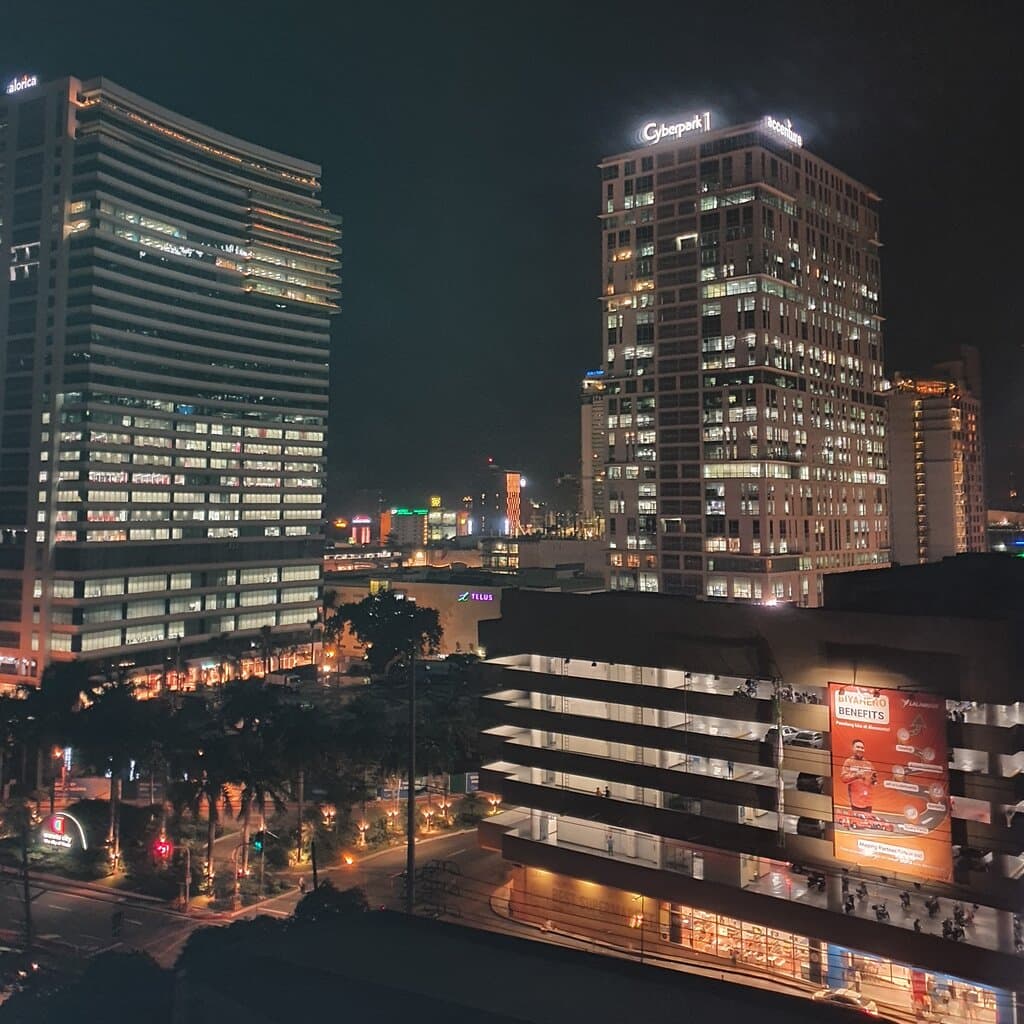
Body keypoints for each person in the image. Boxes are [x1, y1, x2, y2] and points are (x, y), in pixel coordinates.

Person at [841, 739, 878, 812]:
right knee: (857, 821)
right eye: (858, 747)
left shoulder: (868, 764)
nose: (860, 749)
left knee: (867, 822)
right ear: (853, 748)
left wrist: (874, 780)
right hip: (855, 802)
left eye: (862, 748)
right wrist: (856, 776)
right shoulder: (848, 762)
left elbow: (875, 779)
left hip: (868, 802)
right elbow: (844, 778)